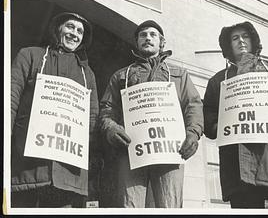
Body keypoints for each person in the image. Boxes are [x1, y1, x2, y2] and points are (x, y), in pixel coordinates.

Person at [99, 20, 203, 208]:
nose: (147, 38)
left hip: (171, 151)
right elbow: (107, 109)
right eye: (143, 35)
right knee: (130, 205)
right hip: (131, 151)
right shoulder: (121, 76)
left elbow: (193, 105)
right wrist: (111, 128)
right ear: (137, 42)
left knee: (169, 205)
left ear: (161, 42)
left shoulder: (179, 74)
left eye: (152, 34)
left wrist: (193, 134)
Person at [11, 12, 99, 207]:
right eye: (70, 27)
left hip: (68, 174)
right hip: (29, 167)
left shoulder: (87, 74)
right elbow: (10, 97)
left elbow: (92, 118)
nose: (74, 34)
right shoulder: (30, 55)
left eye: (80, 31)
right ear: (57, 29)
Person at [203, 21, 268, 209]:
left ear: (253, 40)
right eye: (235, 38)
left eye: (245, 36)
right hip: (238, 169)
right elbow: (208, 113)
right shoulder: (218, 81)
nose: (241, 41)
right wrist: (218, 126)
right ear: (228, 45)